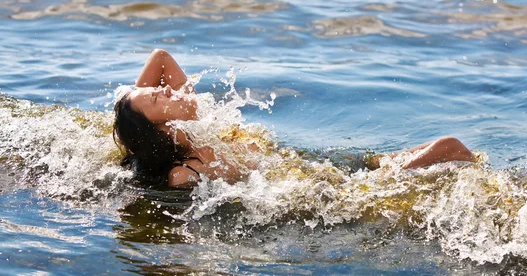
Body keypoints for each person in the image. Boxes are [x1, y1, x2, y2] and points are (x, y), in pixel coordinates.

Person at [113, 49, 475, 187]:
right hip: (326, 185)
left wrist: (137, 102)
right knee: (450, 147)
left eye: (164, 90)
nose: (176, 89)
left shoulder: (188, 132)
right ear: (163, 129)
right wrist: (140, 110)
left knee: (449, 150)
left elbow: (160, 57)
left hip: (315, 165)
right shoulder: (183, 171)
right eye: (163, 98)